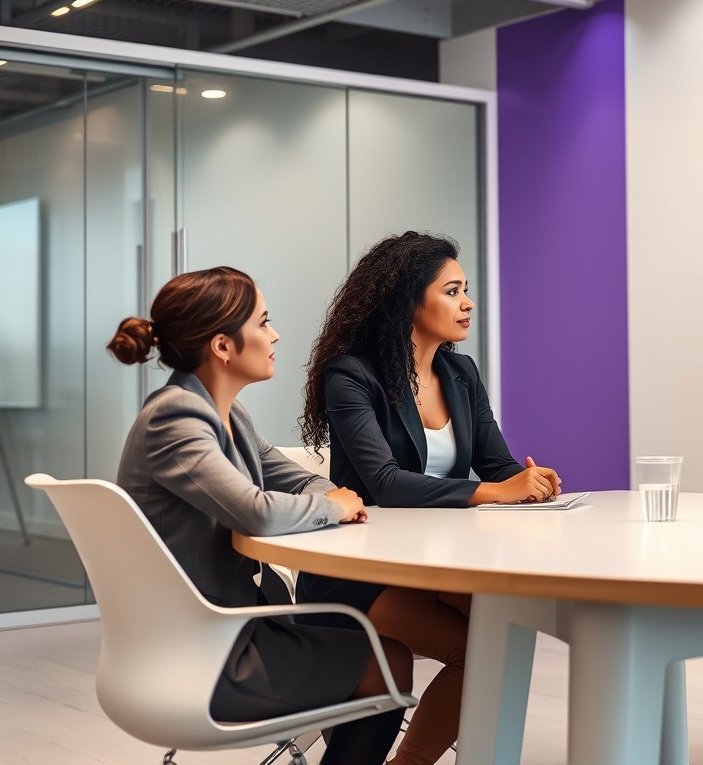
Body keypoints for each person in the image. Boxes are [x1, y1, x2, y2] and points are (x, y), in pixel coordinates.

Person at [109, 266, 410, 765]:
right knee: (387, 659)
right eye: (263, 322)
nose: (275, 334)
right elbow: (258, 513)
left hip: (226, 629)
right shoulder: (175, 418)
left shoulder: (227, 414)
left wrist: (331, 496)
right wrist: (333, 506)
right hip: (199, 654)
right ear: (223, 346)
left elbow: (292, 479)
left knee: (375, 648)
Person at [297, 231, 561, 765]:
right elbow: (385, 483)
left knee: (506, 633)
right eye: (452, 291)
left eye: (466, 290)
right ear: (407, 301)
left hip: (433, 565)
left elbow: (497, 465)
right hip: (362, 571)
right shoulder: (352, 375)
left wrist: (530, 481)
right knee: (484, 650)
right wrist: (495, 491)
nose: (467, 304)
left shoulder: (459, 373)